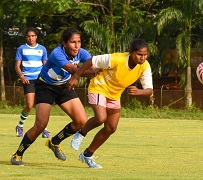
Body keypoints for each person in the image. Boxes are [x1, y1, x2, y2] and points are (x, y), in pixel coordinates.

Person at [11, 28, 96, 166]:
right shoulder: (57, 53)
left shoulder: (82, 52)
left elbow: (93, 64)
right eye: (73, 42)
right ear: (64, 43)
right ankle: (17, 155)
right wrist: (95, 72)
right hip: (45, 87)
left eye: (79, 42)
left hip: (64, 86)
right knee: (40, 125)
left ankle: (54, 142)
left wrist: (98, 69)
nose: (77, 45)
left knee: (81, 121)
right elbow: (74, 70)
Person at [68, 38, 153, 168]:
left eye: (145, 54)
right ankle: (81, 133)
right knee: (101, 118)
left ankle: (87, 154)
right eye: (139, 54)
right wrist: (75, 77)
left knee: (111, 128)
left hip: (114, 94)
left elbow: (149, 90)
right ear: (131, 52)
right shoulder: (117, 59)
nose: (142, 58)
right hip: (99, 87)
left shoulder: (145, 66)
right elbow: (92, 60)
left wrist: (139, 91)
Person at [15, 27, 50, 138]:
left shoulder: (42, 49)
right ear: (26, 37)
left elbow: (46, 65)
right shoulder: (21, 49)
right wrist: (22, 76)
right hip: (28, 80)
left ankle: (44, 129)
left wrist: (48, 77)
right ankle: (20, 126)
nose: (31, 38)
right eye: (28, 36)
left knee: (42, 105)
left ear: (36, 37)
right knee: (29, 105)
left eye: (33, 36)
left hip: (40, 80)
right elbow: (17, 66)